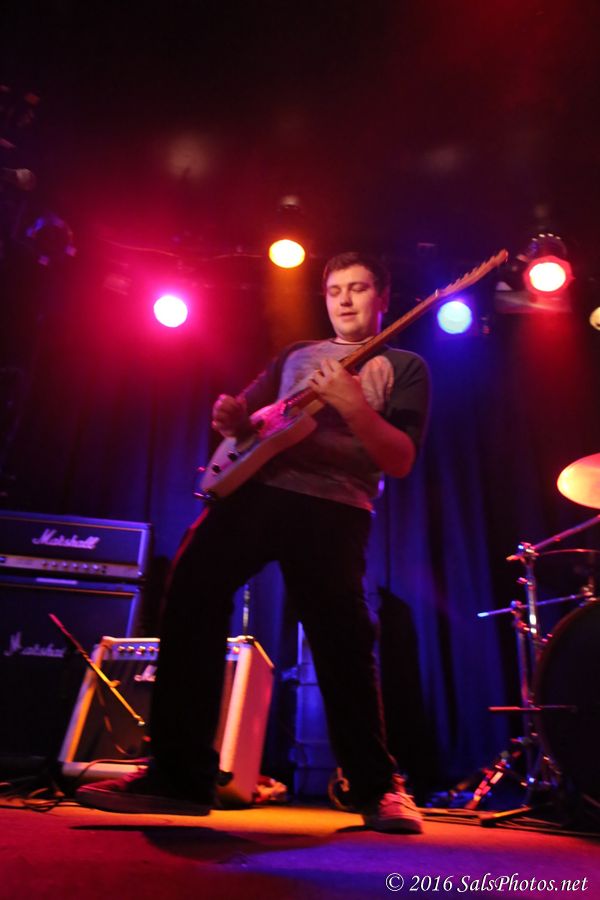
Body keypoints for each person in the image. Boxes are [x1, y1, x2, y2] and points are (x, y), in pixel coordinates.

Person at [76, 251, 431, 833]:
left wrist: (353, 406)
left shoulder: (404, 365)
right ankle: (178, 777)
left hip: (336, 508)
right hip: (258, 492)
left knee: (342, 640)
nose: (344, 300)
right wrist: (232, 418)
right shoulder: (296, 355)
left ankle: (376, 787)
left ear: (383, 296)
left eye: (359, 288)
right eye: (335, 290)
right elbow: (254, 418)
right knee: (190, 589)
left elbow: (399, 459)